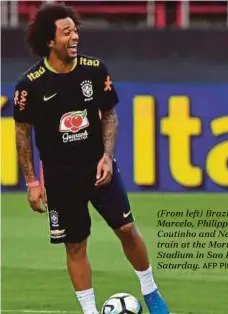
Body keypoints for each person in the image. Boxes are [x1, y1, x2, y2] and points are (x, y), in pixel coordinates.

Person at [13, 3, 170, 314]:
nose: (75, 36)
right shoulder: (29, 86)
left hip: (98, 167)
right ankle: (89, 311)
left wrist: (108, 157)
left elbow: (109, 115)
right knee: (75, 245)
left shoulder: (94, 70)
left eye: (76, 30)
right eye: (66, 32)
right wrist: (32, 180)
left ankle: (151, 293)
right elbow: (22, 134)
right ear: (49, 41)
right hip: (59, 176)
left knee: (126, 228)